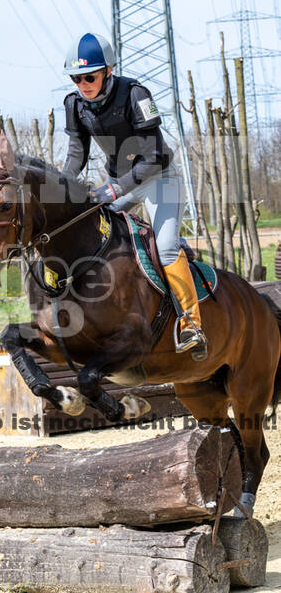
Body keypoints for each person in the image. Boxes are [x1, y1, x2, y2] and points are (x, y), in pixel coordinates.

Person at [62, 32, 207, 359]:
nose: (83, 84)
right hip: (119, 182)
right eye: (76, 78)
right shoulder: (74, 104)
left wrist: (113, 188)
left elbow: (153, 157)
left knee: (167, 247)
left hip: (159, 179)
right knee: (91, 235)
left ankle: (191, 323)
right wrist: (62, 181)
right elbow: (76, 152)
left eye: (90, 76)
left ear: (108, 71)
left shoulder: (135, 94)